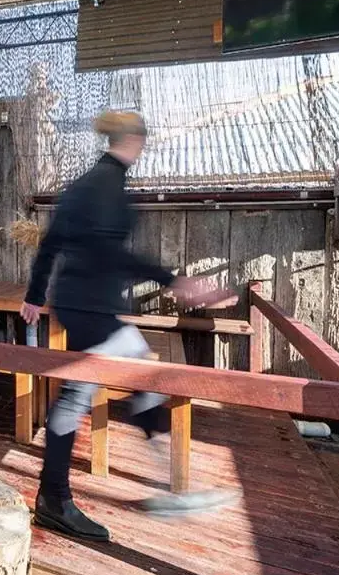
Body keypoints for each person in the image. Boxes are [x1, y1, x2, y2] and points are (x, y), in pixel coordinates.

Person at [20, 110, 207, 543]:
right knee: (135, 374)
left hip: (81, 305)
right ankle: (163, 483)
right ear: (135, 141)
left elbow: (50, 246)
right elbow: (113, 258)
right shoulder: (107, 188)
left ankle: (58, 498)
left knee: (86, 391)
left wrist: (34, 295)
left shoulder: (89, 183)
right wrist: (174, 280)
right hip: (91, 308)